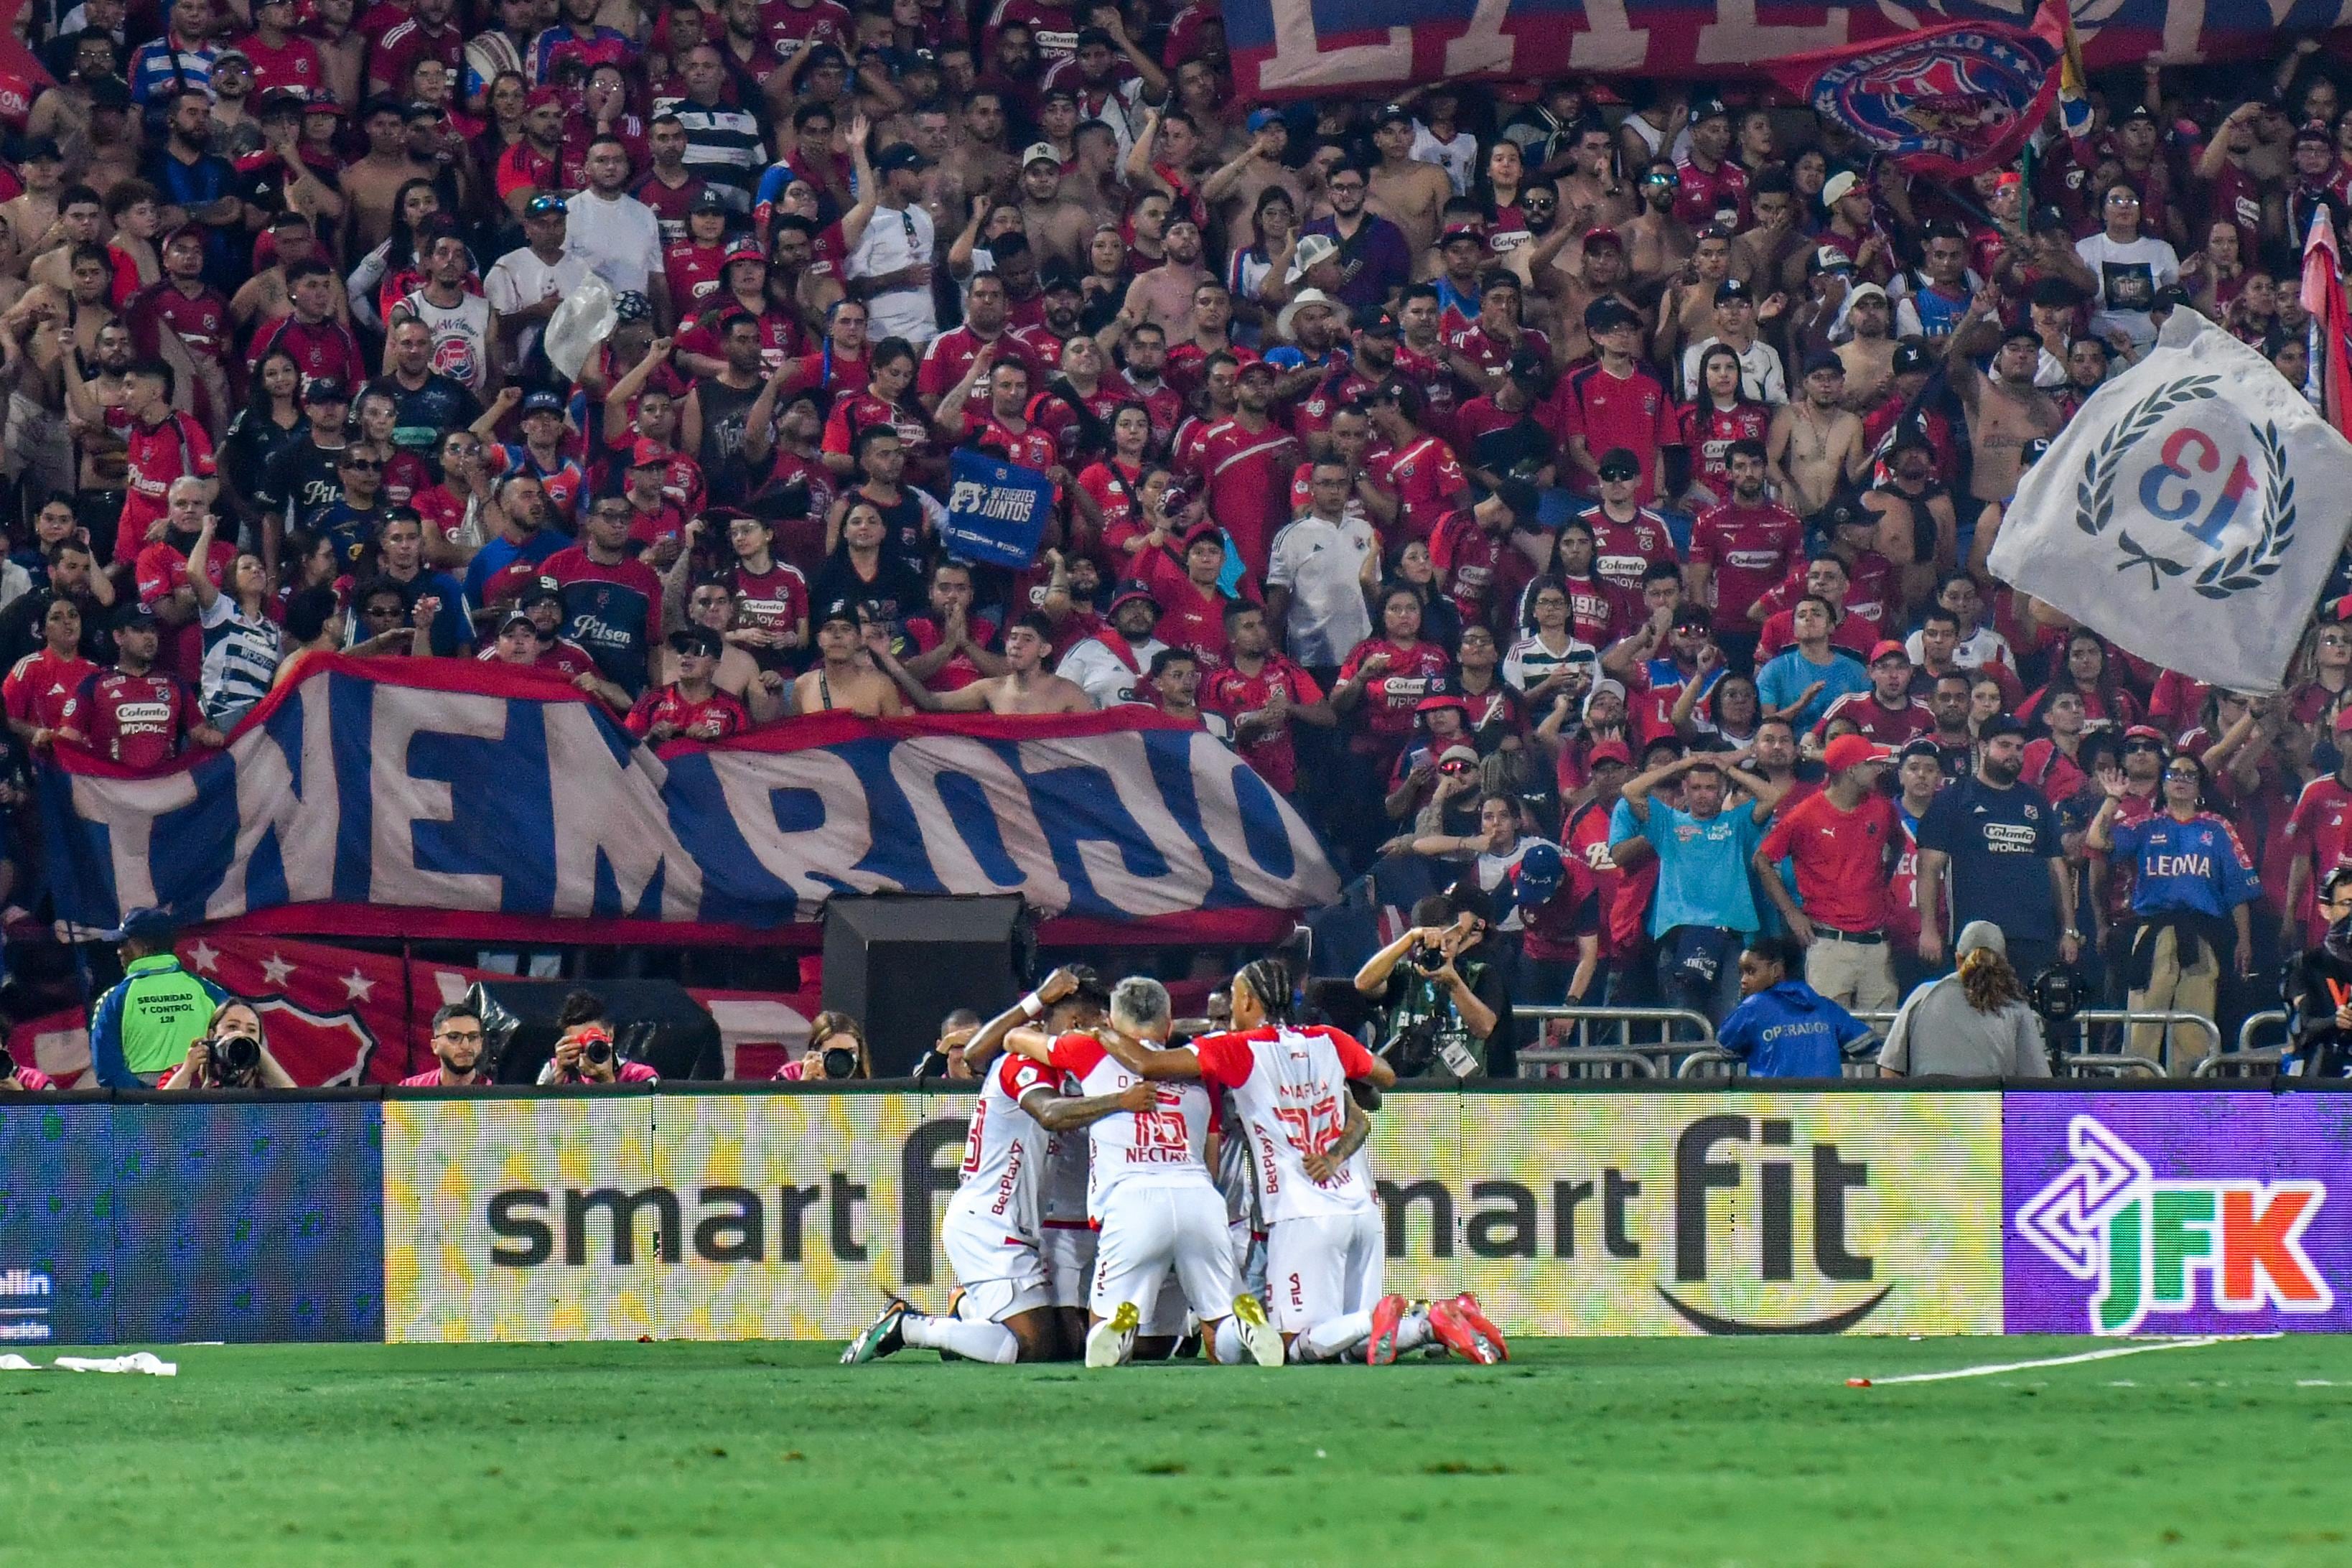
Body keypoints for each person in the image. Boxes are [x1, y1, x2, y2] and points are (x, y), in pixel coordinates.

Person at [843, 968, 1149, 1366]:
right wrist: (1119, 1102)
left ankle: (969, 1311)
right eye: (1098, 1024)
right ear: (1076, 1023)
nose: (1102, 1033)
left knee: (1067, 1344)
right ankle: (908, 1326)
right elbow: (1048, 1112)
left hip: (1017, 1228)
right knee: (1032, 1348)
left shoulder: (1062, 1070)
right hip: (989, 1223)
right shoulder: (1022, 1063)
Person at [998, 975, 1284, 1369]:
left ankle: (1117, 1329)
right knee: (1218, 1335)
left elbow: (1014, 1039)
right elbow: (1212, 1157)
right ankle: (1242, 1328)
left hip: (1131, 1202)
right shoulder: (1200, 1069)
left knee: (1100, 1342)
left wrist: (1086, 1034)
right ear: (1167, 1025)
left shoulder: (1088, 1049)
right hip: (1199, 1197)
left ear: (1113, 1022)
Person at [2088, 756, 2262, 1073]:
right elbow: (2097, 841)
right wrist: (2113, 799)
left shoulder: (2218, 828)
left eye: (2190, 775)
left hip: (2201, 936)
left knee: (2195, 1029)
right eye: (2174, 773)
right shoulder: (2146, 824)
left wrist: (2245, 941)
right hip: (2153, 935)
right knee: (2143, 1023)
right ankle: (2138, 1097)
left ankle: (2189, 1097)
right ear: (2164, 783)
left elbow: (2238, 890)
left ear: (2200, 786)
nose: (2181, 779)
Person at [1612, 747, 1789, 1023]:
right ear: (1685, 788)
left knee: (1730, 1022)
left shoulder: (1737, 822)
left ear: (1722, 791)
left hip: (1730, 938)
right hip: (1679, 936)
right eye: (1695, 788)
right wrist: (1682, 764)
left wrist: (1728, 768)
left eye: (1710, 788)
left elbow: (1773, 796)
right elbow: (1630, 790)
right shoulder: (1667, 821)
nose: (1703, 794)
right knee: (1684, 1025)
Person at [1915, 714, 2079, 984]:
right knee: (1978, 1007)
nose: (2013, 754)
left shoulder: (2036, 802)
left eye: (2019, 748)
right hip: (1976, 937)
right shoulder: (1953, 800)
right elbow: (1929, 869)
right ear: (1983, 747)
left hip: (2035, 937)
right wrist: (1929, 930)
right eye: (2004, 745)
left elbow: (2057, 869)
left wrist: (2069, 930)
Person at [1754, 732, 1902, 1016]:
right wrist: (1791, 913)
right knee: (1827, 1032)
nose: (1878, 769)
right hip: (1829, 943)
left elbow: (1897, 844)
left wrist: (1881, 882)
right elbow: (1762, 860)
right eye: (1870, 763)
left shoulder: (1882, 808)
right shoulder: (1805, 814)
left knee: (1880, 1034)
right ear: (1851, 771)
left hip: (1877, 943)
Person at [1352, 890, 1512, 1081]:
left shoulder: (1480, 974)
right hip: (1406, 1090)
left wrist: (1453, 983)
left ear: (1459, 934)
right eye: (1428, 943)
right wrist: (1410, 938)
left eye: (1447, 941)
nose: (1440, 949)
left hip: (1463, 1092)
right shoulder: (1402, 975)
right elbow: (1363, 983)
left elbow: (1483, 1027)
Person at [1876, 920, 2050, 1078]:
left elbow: (1889, 1068)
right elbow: (2038, 1081)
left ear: (1958, 959)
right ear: (2003, 961)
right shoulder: (2015, 1004)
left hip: (1929, 1103)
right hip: (1989, 1103)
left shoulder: (1923, 994)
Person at [88, 907, 227, 1088]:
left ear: (145, 946)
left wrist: (153, 1099)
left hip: (140, 1105)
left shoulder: (112, 1000)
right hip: (201, 1101)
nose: (119, 951)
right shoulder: (209, 991)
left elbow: (108, 1072)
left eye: (124, 943)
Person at [1714, 933, 1873, 1078]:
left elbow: (1725, 1048)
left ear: (1776, 971)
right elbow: (1865, 1043)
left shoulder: (1752, 1008)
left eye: (1751, 972)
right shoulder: (1825, 1006)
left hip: (1771, 1100)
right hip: (1826, 1100)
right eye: (1742, 973)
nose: (1743, 980)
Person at [157, 998, 299, 1091]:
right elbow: (157, 1117)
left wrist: (259, 1054)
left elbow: (295, 1108)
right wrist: (186, 1072)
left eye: (251, 1030)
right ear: (212, 1035)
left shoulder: (263, 1079)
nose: (240, 1034)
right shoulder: (182, 1072)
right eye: (232, 1027)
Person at [536, 991, 659, 1085]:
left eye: (592, 1040)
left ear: (610, 1034)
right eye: (578, 1044)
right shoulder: (553, 1069)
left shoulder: (641, 1077)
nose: (586, 1051)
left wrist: (607, 1080)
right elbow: (537, 1111)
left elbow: (648, 1112)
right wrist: (558, 1075)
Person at [398, 1000, 495, 1087]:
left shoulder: (497, 1094)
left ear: (481, 1043)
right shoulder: (410, 1091)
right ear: (435, 1046)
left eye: (473, 1037)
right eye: (454, 1037)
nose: (466, 1045)